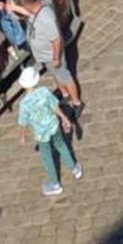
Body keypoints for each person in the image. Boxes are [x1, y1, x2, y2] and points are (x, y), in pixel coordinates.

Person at [15, 63, 82, 198]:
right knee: (62, 145)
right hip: (54, 125)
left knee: (47, 157)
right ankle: (75, 169)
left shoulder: (24, 104)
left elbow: (22, 122)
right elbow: (55, 107)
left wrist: (22, 136)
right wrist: (64, 118)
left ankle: (55, 184)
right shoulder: (45, 91)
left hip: (41, 134)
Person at [19, 0, 81, 109]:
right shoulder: (36, 10)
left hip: (52, 55)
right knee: (55, 74)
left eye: (24, 6)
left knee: (65, 76)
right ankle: (64, 93)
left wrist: (56, 58)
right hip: (45, 56)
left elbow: (56, 40)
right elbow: (29, 14)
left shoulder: (46, 18)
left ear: (29, 4)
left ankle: (76, 102)